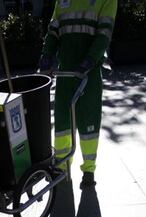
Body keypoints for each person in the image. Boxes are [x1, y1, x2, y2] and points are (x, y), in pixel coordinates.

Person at [39, 0, 117, 189]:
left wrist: (90, 60)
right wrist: (47, 53)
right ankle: (62, 166)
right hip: (66, 73)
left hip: (88, 74)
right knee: (63, 122)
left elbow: (104, 33)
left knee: (88, 121)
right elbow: (54, 29)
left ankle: (89, 170)